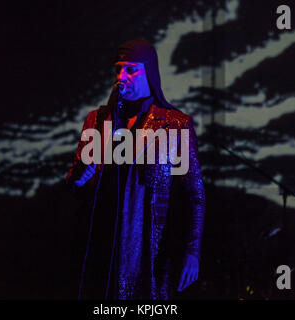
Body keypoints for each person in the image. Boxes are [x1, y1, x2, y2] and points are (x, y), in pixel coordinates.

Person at [66, 38, 206, 300]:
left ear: (149, 73)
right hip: (100, 247)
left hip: (149, 253)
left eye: (131, 69)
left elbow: (194, 197)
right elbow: (74, 185)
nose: (122, 76)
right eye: (118, 68)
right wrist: (81, 177)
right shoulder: (97, 120)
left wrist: (192, 252)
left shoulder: (174, 125)